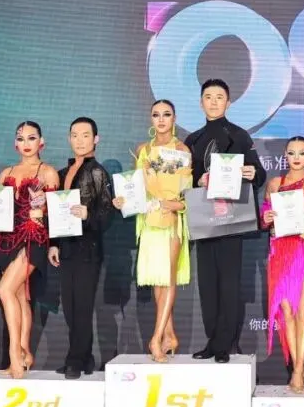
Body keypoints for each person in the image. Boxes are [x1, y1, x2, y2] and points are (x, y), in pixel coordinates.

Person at [185, 80, 266, 364]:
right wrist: (197, 180)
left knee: (229, 283)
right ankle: (212, 340)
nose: (214, 101)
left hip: (232, 219)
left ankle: (225, 344)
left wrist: (251, 172)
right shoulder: (192, 140)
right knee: (207, 284)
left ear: (228, 103)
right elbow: (183, 181)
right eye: (208, 97)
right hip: (204, 219)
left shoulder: (239, 136)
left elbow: (260, 174)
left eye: (219, 97)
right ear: (201, 103)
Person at [0, 121, 59, 379]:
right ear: (15, 143)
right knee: (20, 296)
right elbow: (1, 208)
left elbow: (58, 212)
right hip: (7, 238)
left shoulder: (48, 172)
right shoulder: (6, 173)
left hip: (33, 236)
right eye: (21, 138)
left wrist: (43, 209)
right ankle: (25, 352)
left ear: (41, 142)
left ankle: (14, 355)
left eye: (31, 138)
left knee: (5, 290)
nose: (26, 143)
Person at [115, 100, 193, 363]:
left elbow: (186, 195)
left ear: (174, 118)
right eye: (156, 114)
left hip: (171, 219)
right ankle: (169, 335)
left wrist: (169, 204)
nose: (161, 119)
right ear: (151, 119)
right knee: (158, 281)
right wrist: (124, 201)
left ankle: (155, 338)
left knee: (168, 279)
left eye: (166, 114)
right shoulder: (143, 150)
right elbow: (136, 189)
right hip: (148, 220)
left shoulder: (182, 150)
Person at [260, 136, 304, 392]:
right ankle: (298, 366)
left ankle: (298, 371)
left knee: (302, 312)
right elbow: (264, 218)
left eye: (301, 153)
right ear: (285, 156)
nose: (296, 157)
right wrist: (266, 217)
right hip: (280, 251)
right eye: (291, 153)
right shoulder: (274, 184)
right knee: (287, 313)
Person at [48, 117, 113, 379]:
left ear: (96, 139)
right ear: (69, 138)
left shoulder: (98, 172)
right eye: (75, 135)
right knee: (69, 307)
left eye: (85, 135)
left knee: (83, 306)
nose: (80, 140)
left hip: (88, 248)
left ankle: (75, 359)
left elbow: (107, 214)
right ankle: (84, 357)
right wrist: (53, 244)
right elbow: (55, 213)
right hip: (66, 248)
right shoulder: (62, 173)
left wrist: (88, 214)